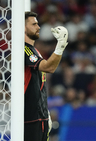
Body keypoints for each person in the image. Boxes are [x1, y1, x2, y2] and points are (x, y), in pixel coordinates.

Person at [24, 11, 68, 141]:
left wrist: (45, 113)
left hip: (40, 117)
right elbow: (49, 67)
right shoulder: (24, 49)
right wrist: (60, 45)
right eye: (34, 24)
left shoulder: (34, 50)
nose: (38, 27)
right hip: (31, 119)